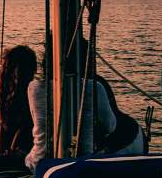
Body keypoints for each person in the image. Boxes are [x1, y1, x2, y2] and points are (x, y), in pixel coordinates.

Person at [25, 43, 118, 171]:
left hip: (39, 164)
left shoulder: (34, 88)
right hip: (83, 164)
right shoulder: (94, 88)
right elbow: (110, 126)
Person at [0, 45, 38, 168]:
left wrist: (5, 150)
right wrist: (2, 150)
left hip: (23, 142)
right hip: (20, 143)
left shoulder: (6, 90)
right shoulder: (15, 90)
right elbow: (6, 122)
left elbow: (25, 125)